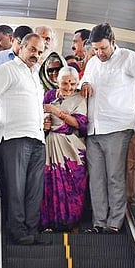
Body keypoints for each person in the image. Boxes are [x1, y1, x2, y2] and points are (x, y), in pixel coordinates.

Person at [80, 23, 135, 234]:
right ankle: (98, 222)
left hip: (118, 126)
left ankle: (114, 223)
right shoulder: (93, 62)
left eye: (103, 48)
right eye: (95, 49)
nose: (99, 53)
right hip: (93, 128)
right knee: (96, 178)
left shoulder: (129, 58)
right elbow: (85, 80)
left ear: (113, 43)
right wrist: (85, 84)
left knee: (115, 176)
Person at [0, 33, 47, 245]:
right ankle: (17, 231)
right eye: (33, 50)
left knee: (35, 189)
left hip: (37, 138)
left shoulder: (36, 77)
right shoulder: (6, 70)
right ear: (21, 47)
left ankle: (32, 231)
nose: (36, 55)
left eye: (40, 52)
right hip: (14, 137)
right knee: (16, 187)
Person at [39, 66, 88, 233]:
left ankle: (71, 223)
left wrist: (56, 111)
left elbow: (79, 124)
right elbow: (41, 116)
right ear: (57, 82)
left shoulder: (80, 97)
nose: (69, 88)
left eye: (73, 84)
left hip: (71, 147)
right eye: (65, 83)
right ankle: (50, 223)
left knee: (73, 183)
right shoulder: (50, 95)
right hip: (51, 144)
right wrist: (44, 125)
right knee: (49, 181)